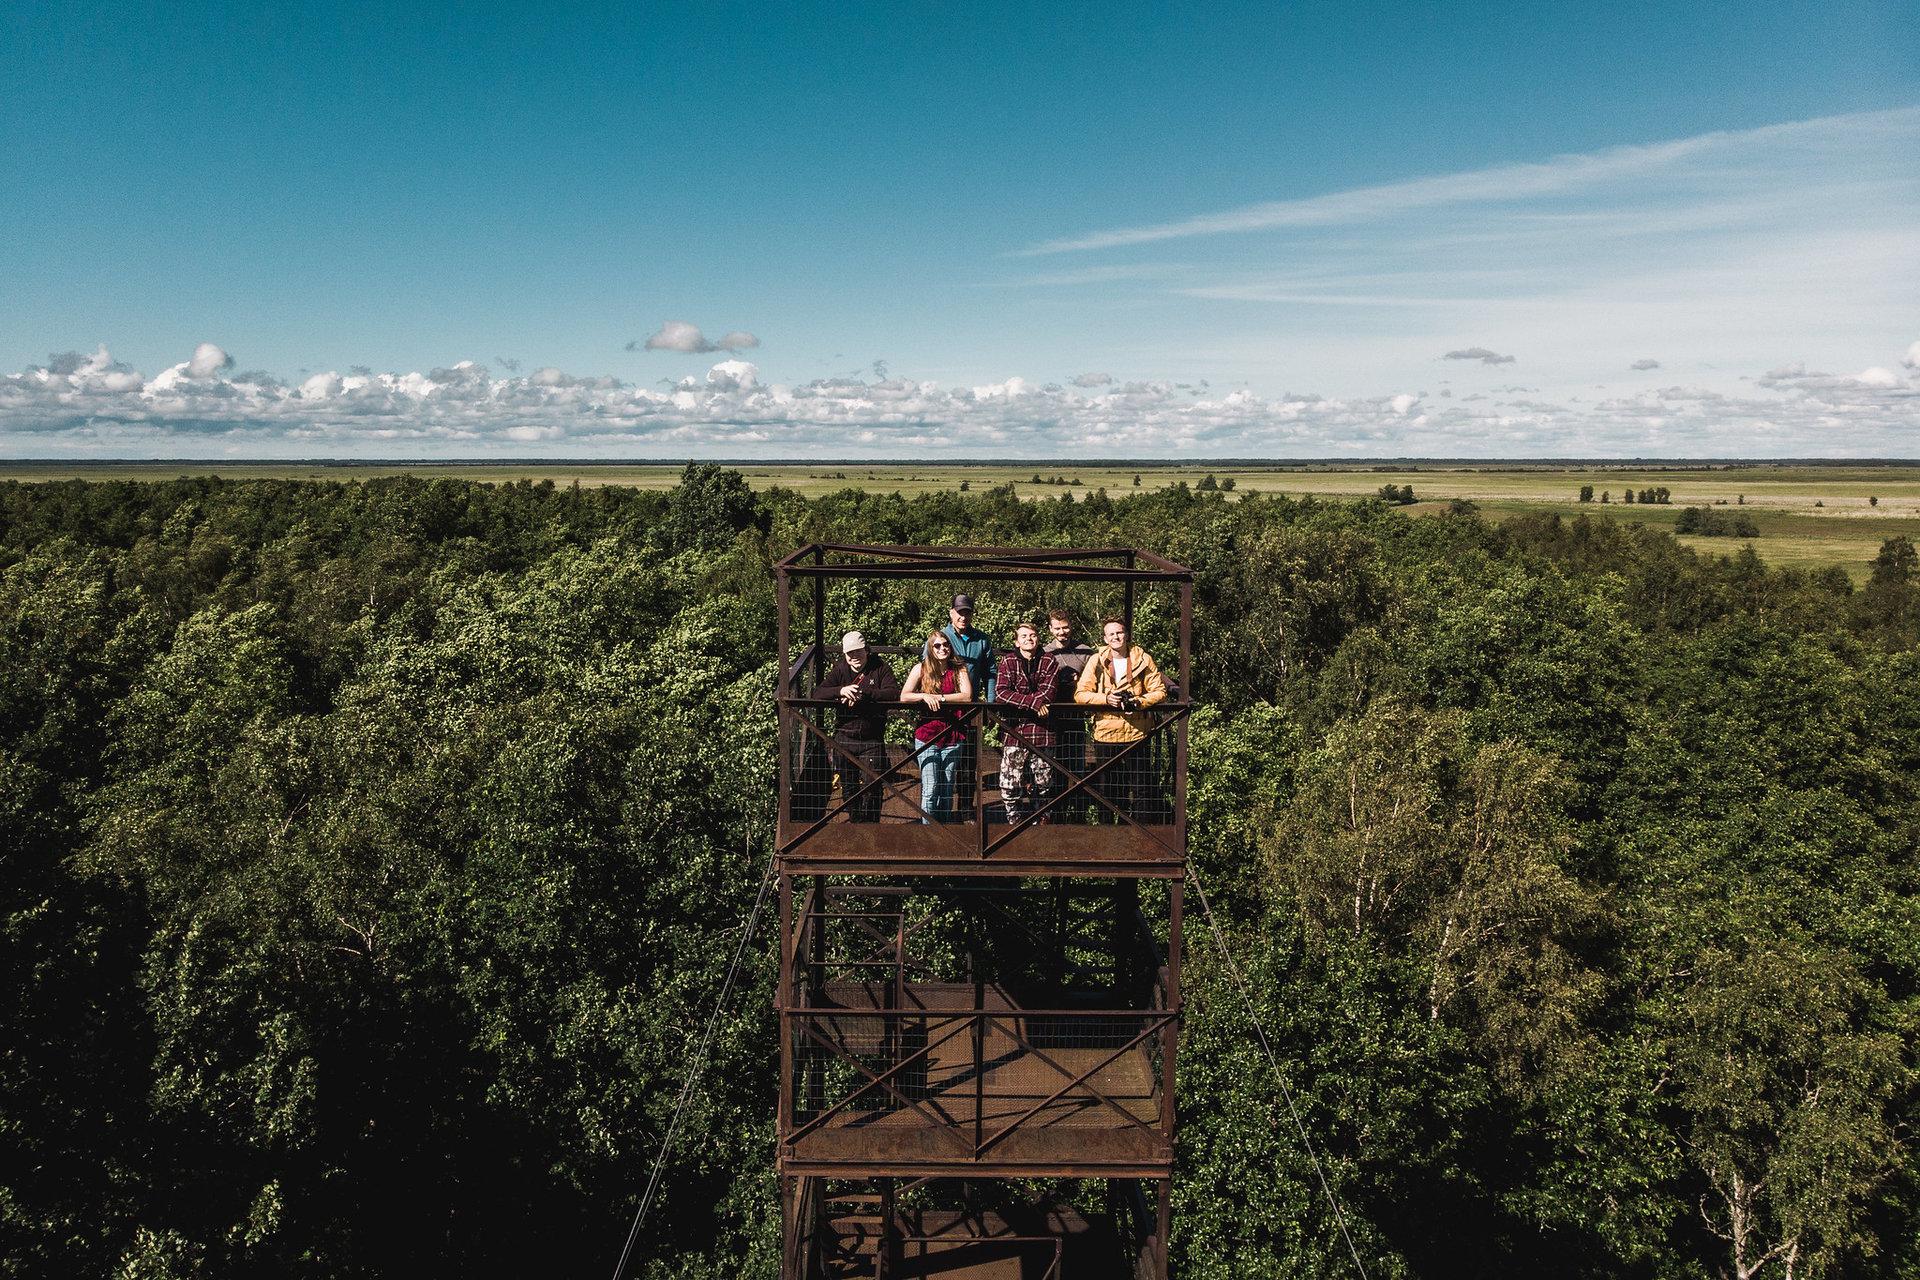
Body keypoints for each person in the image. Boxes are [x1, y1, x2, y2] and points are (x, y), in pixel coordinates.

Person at [1073, 616, 1169, 822]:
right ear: (1105, 638)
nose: (1116, 637)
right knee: (1108, 787)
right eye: (1111, 634)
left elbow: (1159, 690)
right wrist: (1106, 699)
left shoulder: (1144, 659)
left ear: (1126, 634)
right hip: (1106, 732)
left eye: (1119, 632)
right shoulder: (1096, 660)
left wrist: (1139, 701)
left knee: (1141, 786)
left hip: (1137, 731)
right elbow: (1080, 694)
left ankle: (1142, 833)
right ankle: (1108, 835)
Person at [809, 630, 899, 822]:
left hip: (871, 738)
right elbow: (818, 693)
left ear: (866, 650)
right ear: (844, 655)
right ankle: (856, 822)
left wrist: (864, 695)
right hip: (844, 736)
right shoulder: (841, 669)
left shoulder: (880, 667)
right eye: (850, 653)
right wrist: (841, 690)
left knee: (873, 785)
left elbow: (893, 693)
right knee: (849, 785)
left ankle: (872, 825)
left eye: (858, 651)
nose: (854, 657)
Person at [901, 629, 973, 823]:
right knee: (930, 787)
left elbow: (967, 696)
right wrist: (924, 695)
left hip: (953, 734)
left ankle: (945, 830)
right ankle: (929, 832)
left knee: (947, 786)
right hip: (927, 734)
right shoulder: (921, 668)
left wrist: (940, 698)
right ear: (930, 648)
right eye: (937, 645)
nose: (943, 648)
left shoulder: (959, 669)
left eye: (946, 644)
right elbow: (905, 695)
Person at [992, 621, 1061, 824]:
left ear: (1038, 638)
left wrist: (1022, 701)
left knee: (1044, 780)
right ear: (1016, 640)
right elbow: (1001, 692)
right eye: (1024, 636)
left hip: (1043, 731)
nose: (1028, 639)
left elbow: (1049, 692)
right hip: (1014, 730)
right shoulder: (1008, 661)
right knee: (1010, 781)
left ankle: (1042, 818)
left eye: (1032, 635)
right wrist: (1033, 703)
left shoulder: (1049, 661)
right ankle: (1013, 818)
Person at [1043, 608, 1094, 822]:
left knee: (1076, 765)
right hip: (1051, 718)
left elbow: (1095, 678)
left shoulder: (1084, 651)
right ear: (1050, 629)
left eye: (1065, 628)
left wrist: (1079, 677)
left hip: (1075, 716)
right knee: (1054, 766)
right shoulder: (1044, 652)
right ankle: (1057, 813)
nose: (1062, 632)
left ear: (1070, 626)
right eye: (1057, 628)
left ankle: (1079, 813)